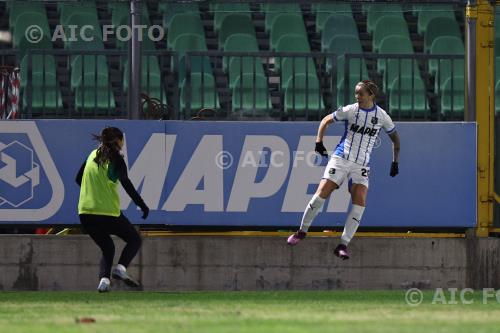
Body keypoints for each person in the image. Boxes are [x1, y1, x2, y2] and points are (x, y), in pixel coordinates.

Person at [287, 80, 400, 259]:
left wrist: (395, 162)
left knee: (360, 202)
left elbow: (395, 139)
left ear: (371, 95)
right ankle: (301, 231)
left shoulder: (382, 116)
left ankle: (343, 244)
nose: (357, 97)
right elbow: (326, 120)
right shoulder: (350, 110)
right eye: (356, 93)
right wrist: (318, 142)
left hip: (362, 165)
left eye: (360, 93)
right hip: (341, 158)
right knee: (321, 193)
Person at [76, 127, 150, 292]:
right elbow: (126, 183)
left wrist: (93, 191)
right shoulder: (116, 159)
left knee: (108, 247)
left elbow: (78, 179)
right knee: (134, 239)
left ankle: (104, 281)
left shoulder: (92, 155)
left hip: (85, 213)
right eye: (122, 139)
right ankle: (121, 269)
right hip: (107, 212)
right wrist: (142, 204)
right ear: (117, 140)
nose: (123, 143)